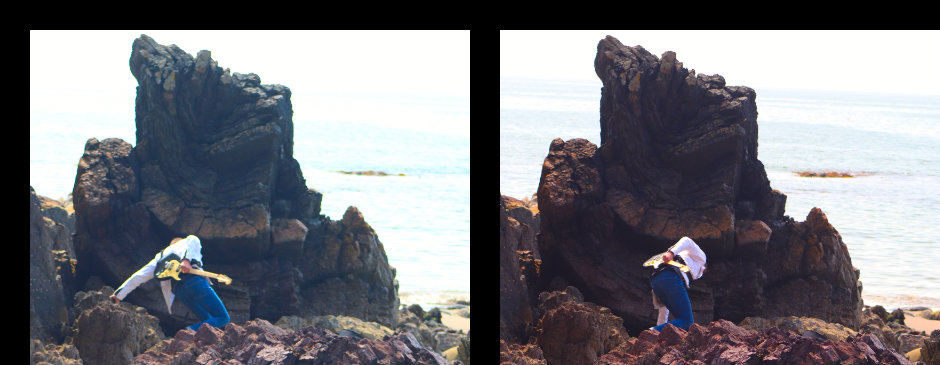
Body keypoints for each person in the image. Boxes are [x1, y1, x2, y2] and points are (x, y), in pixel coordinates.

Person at [110, 235, 230, 332]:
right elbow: (193, 240)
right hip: (195, 282)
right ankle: (189, 331)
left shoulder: (160, 257)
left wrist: (118, 294)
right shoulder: (187, 241)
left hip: (181, 292)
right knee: (223, 318)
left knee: (207, 321)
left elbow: (139, 276)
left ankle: (208, 339)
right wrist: (186, 260)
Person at [648, 236, 707, 331]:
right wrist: (671, 253)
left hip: (657, 280)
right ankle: (652, 332)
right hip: (671, 277)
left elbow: (664, 310)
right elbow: (687, 240)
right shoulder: (702, 259)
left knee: (681, 319)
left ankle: (652, 332)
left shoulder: (683, 262)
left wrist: (657, 333)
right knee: (687, 321)